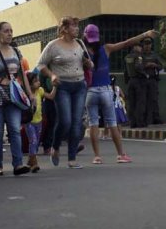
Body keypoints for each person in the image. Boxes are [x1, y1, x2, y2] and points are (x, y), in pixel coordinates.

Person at [84, 24, 155, 164]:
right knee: (112, 123)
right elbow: (127, 43)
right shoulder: (106, 49)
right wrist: (145, 34)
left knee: (93, 124)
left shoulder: (83, 52)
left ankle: (97, 156)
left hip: (90, 92)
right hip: (105, 90)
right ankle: (121, 155)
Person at [37, 16, 93, 169]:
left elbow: (89, 63)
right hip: (62, 86)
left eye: (77, 26)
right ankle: (55, 147)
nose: (77, 29)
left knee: (76, 123)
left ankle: (72, 159)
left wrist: (89, 64)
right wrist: (52, 75)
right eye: (74, 26)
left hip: (79, 85)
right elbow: (40, 65)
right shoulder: (53, 45)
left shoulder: (80, 43)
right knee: (65, 121)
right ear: (65, 29)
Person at [0, 21, 34, 176]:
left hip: (13, 96)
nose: (9, 34)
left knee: (15, 130)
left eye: (11, 30)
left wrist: (29, 94)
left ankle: (18, 164)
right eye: (5, 31)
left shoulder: (17, 51)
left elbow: (22, 75)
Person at [25, 71, 56, 172]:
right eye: (35, 81)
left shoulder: (40, 91)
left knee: (36, 142)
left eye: (38, 81)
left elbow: (51, 96)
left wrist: (55, 87)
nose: (38, 83)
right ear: (29, 84)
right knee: (33, 141)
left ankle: (30, 160)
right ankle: (34, 163)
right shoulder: (26, 93)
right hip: (29, 121)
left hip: (39, 121)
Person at [140, 37, 164, 125]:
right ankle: (145, 119)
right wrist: (145, 65)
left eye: (149, 44)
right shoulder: (140, 55)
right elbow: (137, 66)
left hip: (153, 79)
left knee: (154, 99)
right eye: (146, 44)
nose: (147, 46)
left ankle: (156, 118)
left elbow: (161, 66)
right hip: (143, 79)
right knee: (143, 100)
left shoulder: (154, 55)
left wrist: (154, 65)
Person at [124, 44, 148, 127]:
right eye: (139, 46)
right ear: (135, 47)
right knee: (140, 102)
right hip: (139, 81)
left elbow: (126, 70)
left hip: (131, 81)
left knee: (131, 103)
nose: (141, 48)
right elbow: (138, 67)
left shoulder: (127, 57)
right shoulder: (138, 57)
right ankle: (140, 122)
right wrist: (145, 74)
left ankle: (132, 122)